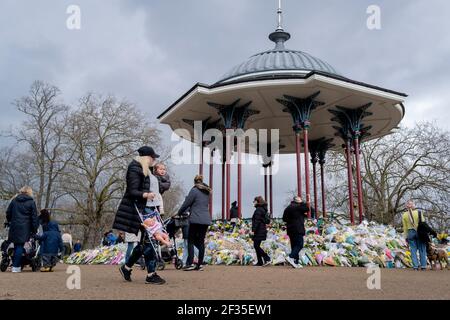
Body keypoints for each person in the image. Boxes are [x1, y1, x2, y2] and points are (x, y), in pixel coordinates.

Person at [113, 146, 166, 285]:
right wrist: (146, 195)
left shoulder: (146, 169)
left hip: (150, 209)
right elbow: (132, 191)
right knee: (150, 241)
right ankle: (151, 274)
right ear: (146, 157)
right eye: (152, 157)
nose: (154, 160)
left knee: (145, 242)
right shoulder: (135, 168)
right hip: (141, 210)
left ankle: (126, 267)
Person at [178, 175, 212, 271]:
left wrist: (179, 213)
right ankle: (200, 264)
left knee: (190, 241)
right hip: (206, 219)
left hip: (195, 219)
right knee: (201, 241)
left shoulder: (194, 190)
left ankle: (190, 263)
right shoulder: (207, 192)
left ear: (195, 182)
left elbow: (186, 203)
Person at [5, 186, 39, 273]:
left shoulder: (14, 200)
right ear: (29, 192)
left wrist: (10, 221)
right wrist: (34, 229)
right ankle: (16, 266)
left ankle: (15, 264)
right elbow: (34, 217)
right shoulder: (31, 202)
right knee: (20, 246)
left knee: (16, 246)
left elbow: (8, 212)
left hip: (14, 226)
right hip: (25, 227)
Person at [283, 196, 309, 268]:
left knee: (294, 246)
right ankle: (290, 257)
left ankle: (296, 262)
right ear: (298, 201)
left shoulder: (288, 208)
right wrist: (302, 202)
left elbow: (284, 218)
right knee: (300, 244)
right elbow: (307, 208)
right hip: (298, 228)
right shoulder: (298, 207)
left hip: (290, 229)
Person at [402, 200, 427, 270]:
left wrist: (405, 237)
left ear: (406, 206)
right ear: (413, 205)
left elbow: (405, 228)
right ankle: (423, 266)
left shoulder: (404, 215)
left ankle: (415, 266)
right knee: (422, 249)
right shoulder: (419, 213)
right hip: (419, 232)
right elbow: (423, 224)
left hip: (410, 232)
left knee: (413, 250)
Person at [251, 196, 271, 267]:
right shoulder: (263, 209)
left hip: (258, 230)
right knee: (257, 246)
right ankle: (260, 262)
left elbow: (256, 221)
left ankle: (267, 258)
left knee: (256, 246)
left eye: (254, 201)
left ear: (258, 201)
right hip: (261, 229)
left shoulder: (258, 210)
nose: (253, 202)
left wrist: (253, 230)